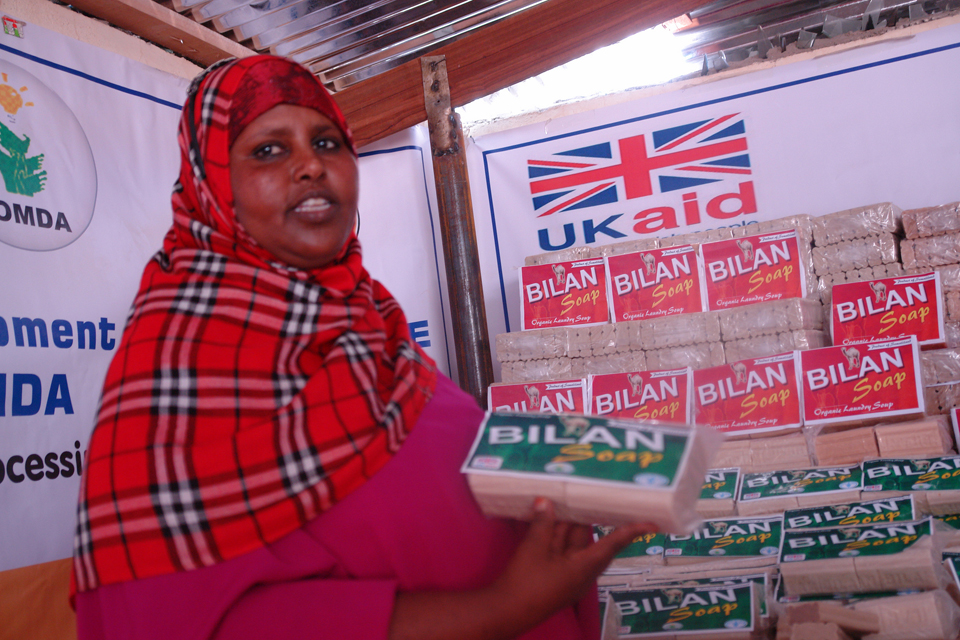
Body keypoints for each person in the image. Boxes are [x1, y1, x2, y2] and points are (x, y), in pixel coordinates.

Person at [72, 54, 652, 640]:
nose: (310, 167)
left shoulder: (368, 318)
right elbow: (177, 620)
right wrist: (503, 608)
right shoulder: (177, 368)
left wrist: (564, 481)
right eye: (269, 150)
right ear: (210, 182)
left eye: (327, 143)